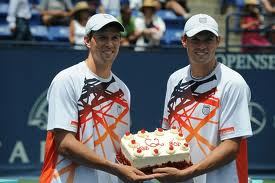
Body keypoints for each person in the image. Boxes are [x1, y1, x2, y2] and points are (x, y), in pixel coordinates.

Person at [40, 13, 155, 183]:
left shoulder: (123, 90)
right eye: (102, 38)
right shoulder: (67, 80)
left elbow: (119, 147)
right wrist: (115, 168)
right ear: (87, 40)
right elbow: (65, 144)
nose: (109, 44)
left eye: (115, 38)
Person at [153, 14, 252, 183]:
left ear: (218, 41)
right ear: (184, 41)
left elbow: (231, 147)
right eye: (195, 40)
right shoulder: (175, 79)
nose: (202, 46)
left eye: (208, 40)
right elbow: (169, 133)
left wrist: (186, 174)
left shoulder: (233, 83)